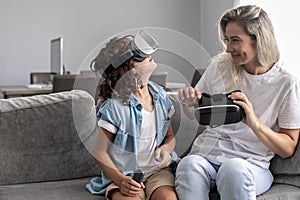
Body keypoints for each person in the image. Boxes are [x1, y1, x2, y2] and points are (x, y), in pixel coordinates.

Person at [175, 5, 300, 200]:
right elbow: (195, 114)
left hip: (251, 165)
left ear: (258, 40)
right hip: (206, 157)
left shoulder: (285, 83)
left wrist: (252, 121)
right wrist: (189, 103)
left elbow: (287, 148)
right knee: (188, 164)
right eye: (226, 40)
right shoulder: (219, 66)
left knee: (233, 169)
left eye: (235, 40)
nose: (228, 48)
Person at [86, 31, 179, 200]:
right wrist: (120, 181)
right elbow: (100, 152)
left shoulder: (161, 97)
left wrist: (166, 149)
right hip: (125, 176)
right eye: (139, 55)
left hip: (157, 173)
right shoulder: (115, 108)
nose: (149, 55)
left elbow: (170, 137)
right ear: (128, 69)